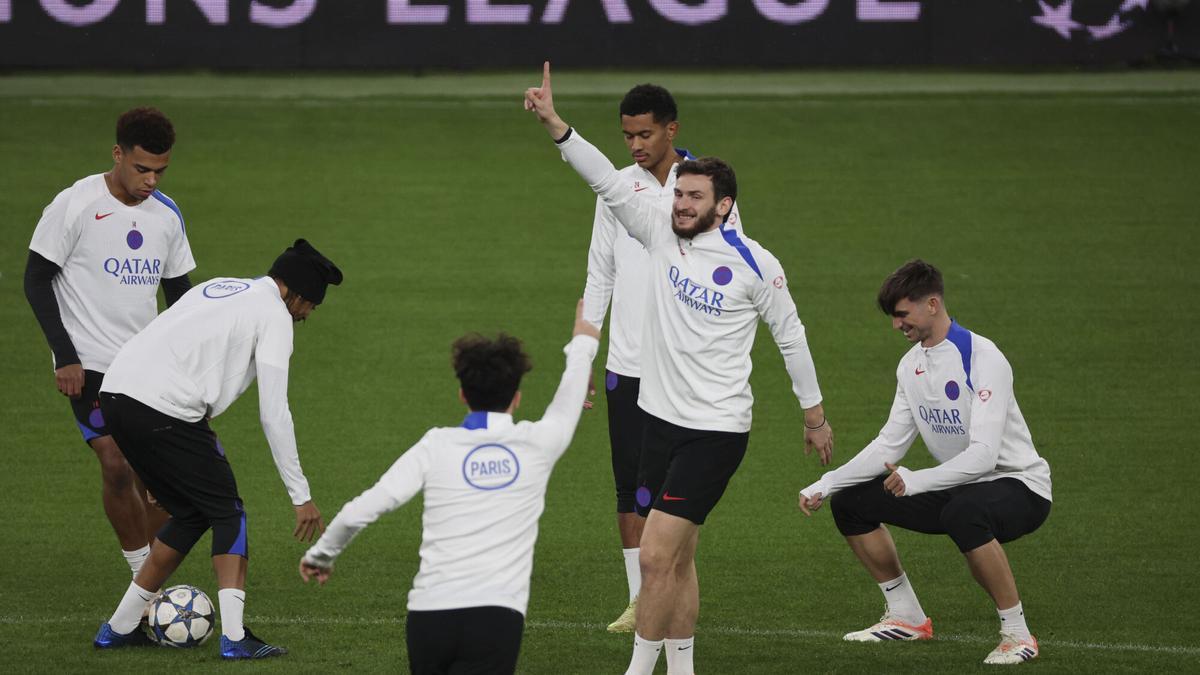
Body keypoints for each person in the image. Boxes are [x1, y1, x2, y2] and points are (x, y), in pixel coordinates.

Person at [524, 63, 834, 675]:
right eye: (678, 195)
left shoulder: (755, 263)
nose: (680, 204)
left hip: (714, 426)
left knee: (657, 555)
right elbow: (607, 187)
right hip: (654, 412)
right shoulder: (659, 232)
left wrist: (814, 412)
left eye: (693, 197)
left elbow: (791, 333)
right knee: (679, 557)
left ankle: (640, 669)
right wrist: (558, 127)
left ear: (723, 205)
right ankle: (683, 668)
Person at [298, 300, 600, 675]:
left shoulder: (435, 445)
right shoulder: (539, 443)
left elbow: (365, 507)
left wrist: (321, 555)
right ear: (517, 398)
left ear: (462, 395)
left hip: (428, 618)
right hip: (496, 618)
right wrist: (584, 337)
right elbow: (568, 399)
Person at [91, 239, 342, 659]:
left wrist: (157, 464)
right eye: (311, 305)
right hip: (162, 408)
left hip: (116, 396)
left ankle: (117, 628)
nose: (308, 314)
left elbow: (178, 348)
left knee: (191, 513)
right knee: (229, 511)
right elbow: (274, 412)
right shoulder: (274, 316)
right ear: (294, 293)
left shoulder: (221, 287)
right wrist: (301, 496)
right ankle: (235, 638)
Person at [798, 259, 1051, 665]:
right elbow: (888, 445)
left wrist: (919, 480)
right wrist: (827, 483)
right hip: (957, 486)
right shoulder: (910, 366)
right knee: (851, 503)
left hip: (1019, 487)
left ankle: (1018, 635)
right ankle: (906, 617)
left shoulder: (984, 358)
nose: (897, 325)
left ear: (932, 304)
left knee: (964, 512)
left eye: (902, 314)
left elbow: (985, 456)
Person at [581, 83, 746, 634]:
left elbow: (734, 272)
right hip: (625, 363)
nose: (634, 144)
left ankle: (666, 585)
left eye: (644, 134)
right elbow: (599, 271)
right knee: (630, 487)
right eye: (626, 135)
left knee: (676, 491)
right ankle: (640, 599)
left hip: (679, 370)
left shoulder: (704, 187)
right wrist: (586, 350)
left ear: (671, 131)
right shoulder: (617, 190)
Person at [24, 106, 194, 579]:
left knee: (156, 477)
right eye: (142, 169)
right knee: (116, 460)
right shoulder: (75, 204)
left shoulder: (166, 214)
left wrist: (187, 366)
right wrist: (65, 356)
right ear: (117, 154)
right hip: (90, 363)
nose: (151, 181)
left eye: (160, 171)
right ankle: (142, 575)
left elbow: (179, 295)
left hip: (147, 364)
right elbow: (36, 280)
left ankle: (153, 582)